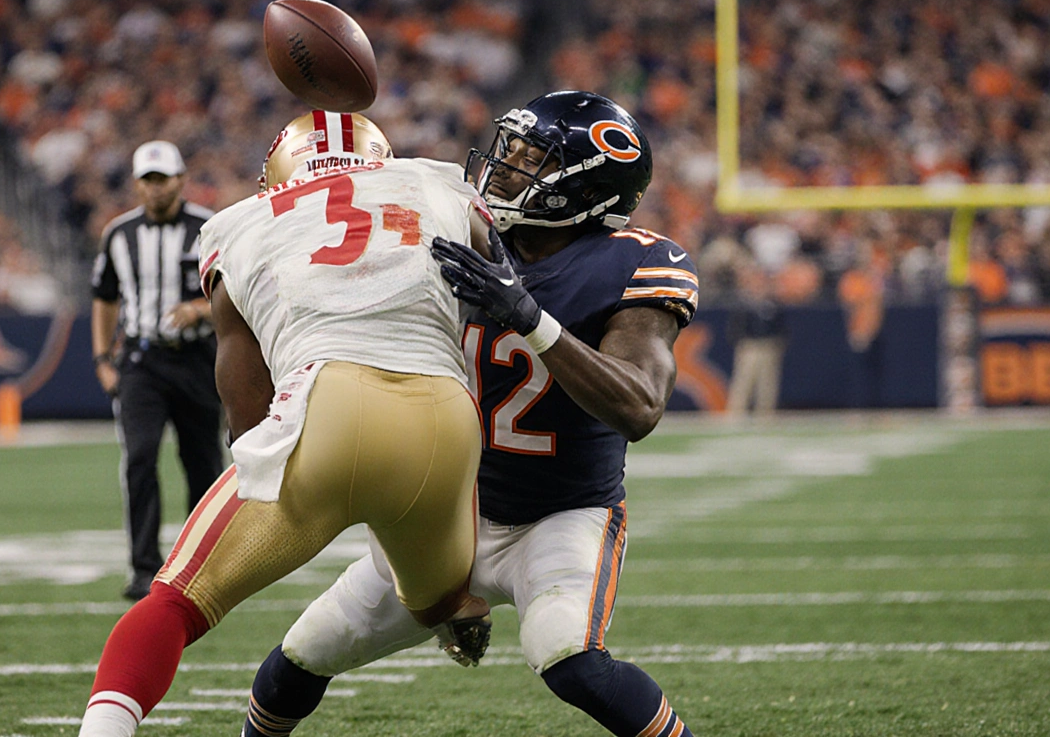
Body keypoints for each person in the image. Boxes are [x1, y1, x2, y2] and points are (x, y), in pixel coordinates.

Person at [240, 91, 699, 737]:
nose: (503, 164)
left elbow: (640, 406)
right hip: (444, 510)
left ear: (581, 188)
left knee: (568, 656)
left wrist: (529, 319)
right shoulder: (456, 226)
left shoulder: (634, 264)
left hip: (563, 513)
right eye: (508, 147)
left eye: (528, 156)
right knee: (303, 654)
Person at [77, 110, 498, 737]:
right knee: (441, 599)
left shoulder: (238, 223)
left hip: (327, 407)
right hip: (447, 425)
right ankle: (450, 603)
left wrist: (270, 475)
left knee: (172, 602)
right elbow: (497, 284)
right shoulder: (432, 181)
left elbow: (243, 397)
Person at [90, 140, 225, 601]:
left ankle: (201, 567)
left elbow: (239, 292)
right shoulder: (119, 234)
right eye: (147, 181)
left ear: (181, 180)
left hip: (197, 359)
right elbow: (104, 297)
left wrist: (200, 310)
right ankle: (144, 567)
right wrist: (102, 358)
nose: (155, 189)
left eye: (162, 179)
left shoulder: (211, 228)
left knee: (203, 462)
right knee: (140, 457)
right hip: (141, 361)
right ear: (137, 184)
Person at [726, 263, 787, 415]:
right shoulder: (744, 303)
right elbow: (736, 326)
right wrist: (740, 342)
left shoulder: (773, 304)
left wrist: (778, 343)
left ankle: (765, 413)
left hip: (768, 345)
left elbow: (782, 326)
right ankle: (736, 413)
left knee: (767, 383)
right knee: (744, 381)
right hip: (749, 346)